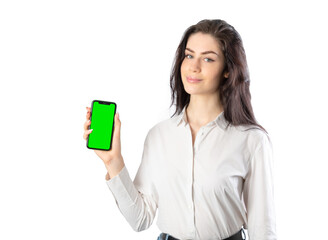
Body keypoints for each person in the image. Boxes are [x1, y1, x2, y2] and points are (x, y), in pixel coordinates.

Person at [83, 19, 277, 240]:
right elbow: (140, 219)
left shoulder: (251, 140)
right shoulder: (159, 136)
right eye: (189, 55)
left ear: (227, 70)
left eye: (208, 58)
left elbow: (263, 229)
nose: (194, 67)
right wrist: (112, 161)